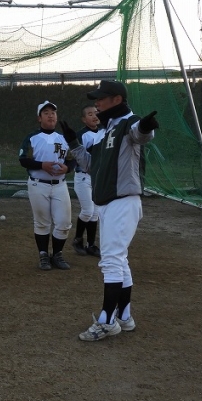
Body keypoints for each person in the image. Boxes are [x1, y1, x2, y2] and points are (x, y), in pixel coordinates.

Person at [61, 80, 159, 341]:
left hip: (123, 201)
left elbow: (140, 135)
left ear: (116, 100)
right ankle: (124, 317)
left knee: (112, 261)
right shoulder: (106, 130)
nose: (97, 103)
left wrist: (147, 127)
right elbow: (90, 165)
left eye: (101, 99)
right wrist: (73, 142)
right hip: (108, 203)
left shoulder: (128, 122)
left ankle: (107, 321)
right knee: (119, 260)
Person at [18, 100, 73, 271]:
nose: (50, 115)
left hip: (60, 185)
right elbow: (23, 159)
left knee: (64, 222)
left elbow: (73, 159)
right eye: (46, 113)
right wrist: (42, 165)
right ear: (39, 118)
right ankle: (43, 255)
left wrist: (68, 168)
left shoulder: (63, 138)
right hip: (38, 184)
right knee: (42, 222)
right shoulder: (32, 138)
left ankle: (57, 254)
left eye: (53, 113)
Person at [71, 105, 101, 258]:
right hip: (83, 176)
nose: (94, 116)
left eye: (96, 113)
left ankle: (91, 245)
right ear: (83, 119)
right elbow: (78, 155)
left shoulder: (104, 132)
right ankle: (77, 240)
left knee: (95, 213)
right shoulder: (81, 135)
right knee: (88, 211)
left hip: (97, 177)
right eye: (90, 114)